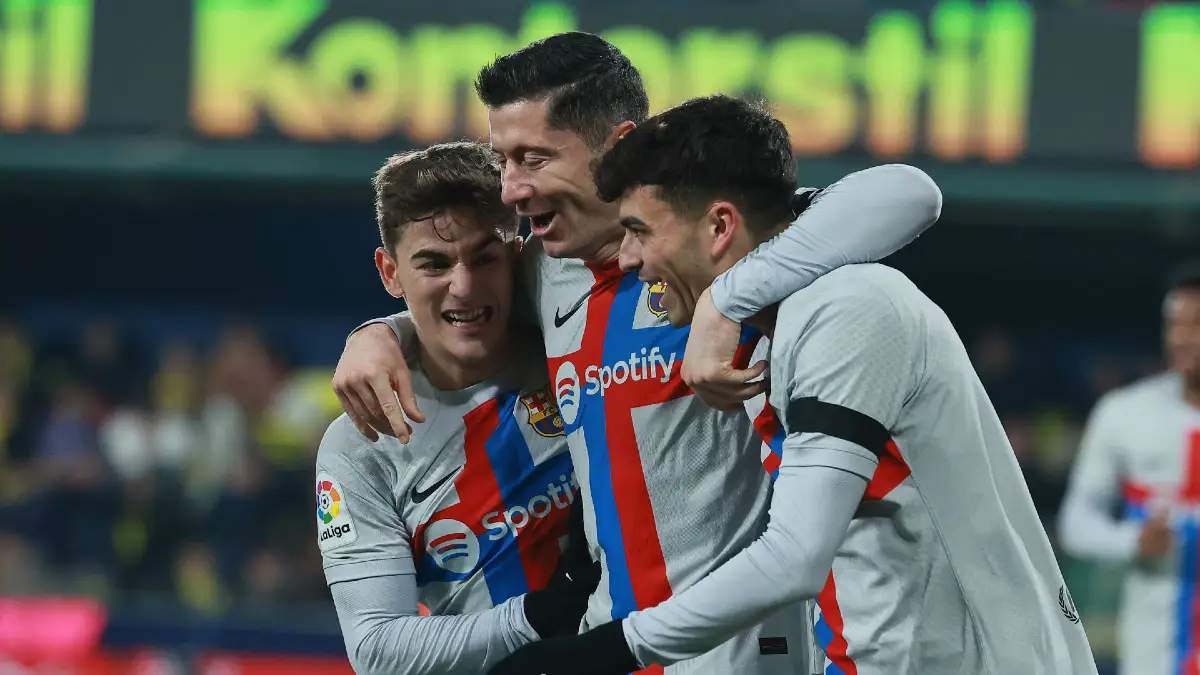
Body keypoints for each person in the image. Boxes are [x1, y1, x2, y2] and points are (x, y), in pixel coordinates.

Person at [334, 32, 943, 672]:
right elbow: (455, 306)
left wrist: (726, 299)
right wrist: (377, 335)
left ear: (618, 145)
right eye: (503, 161)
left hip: (742, 655)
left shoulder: (715, 250)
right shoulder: (543, 274)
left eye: (533, 159)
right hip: (610, 649)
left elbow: (910, 193)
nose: (511, 189)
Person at [490, 95, 1098, 675]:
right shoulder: (780, 329)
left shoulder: (848, 309)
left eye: (640, 230)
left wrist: (608, 650)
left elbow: (795, 557)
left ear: (720, 226)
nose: (627, 258)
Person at [316, 142, 596, 675]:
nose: (464, 287)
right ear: (390, 273)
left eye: (485, 257)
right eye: (434, 264)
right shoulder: (360, 442)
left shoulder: (574, 340)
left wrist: (377, 332)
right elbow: (376, 646)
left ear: (516, 257)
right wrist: (540, 613)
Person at [1058, 264, 1200, 675]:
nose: (1181, 337)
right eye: (1174, 324)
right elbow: (1076, 523)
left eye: (1196, 325)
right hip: (1153, 654)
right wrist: (1133, 540)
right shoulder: (1125, 414)